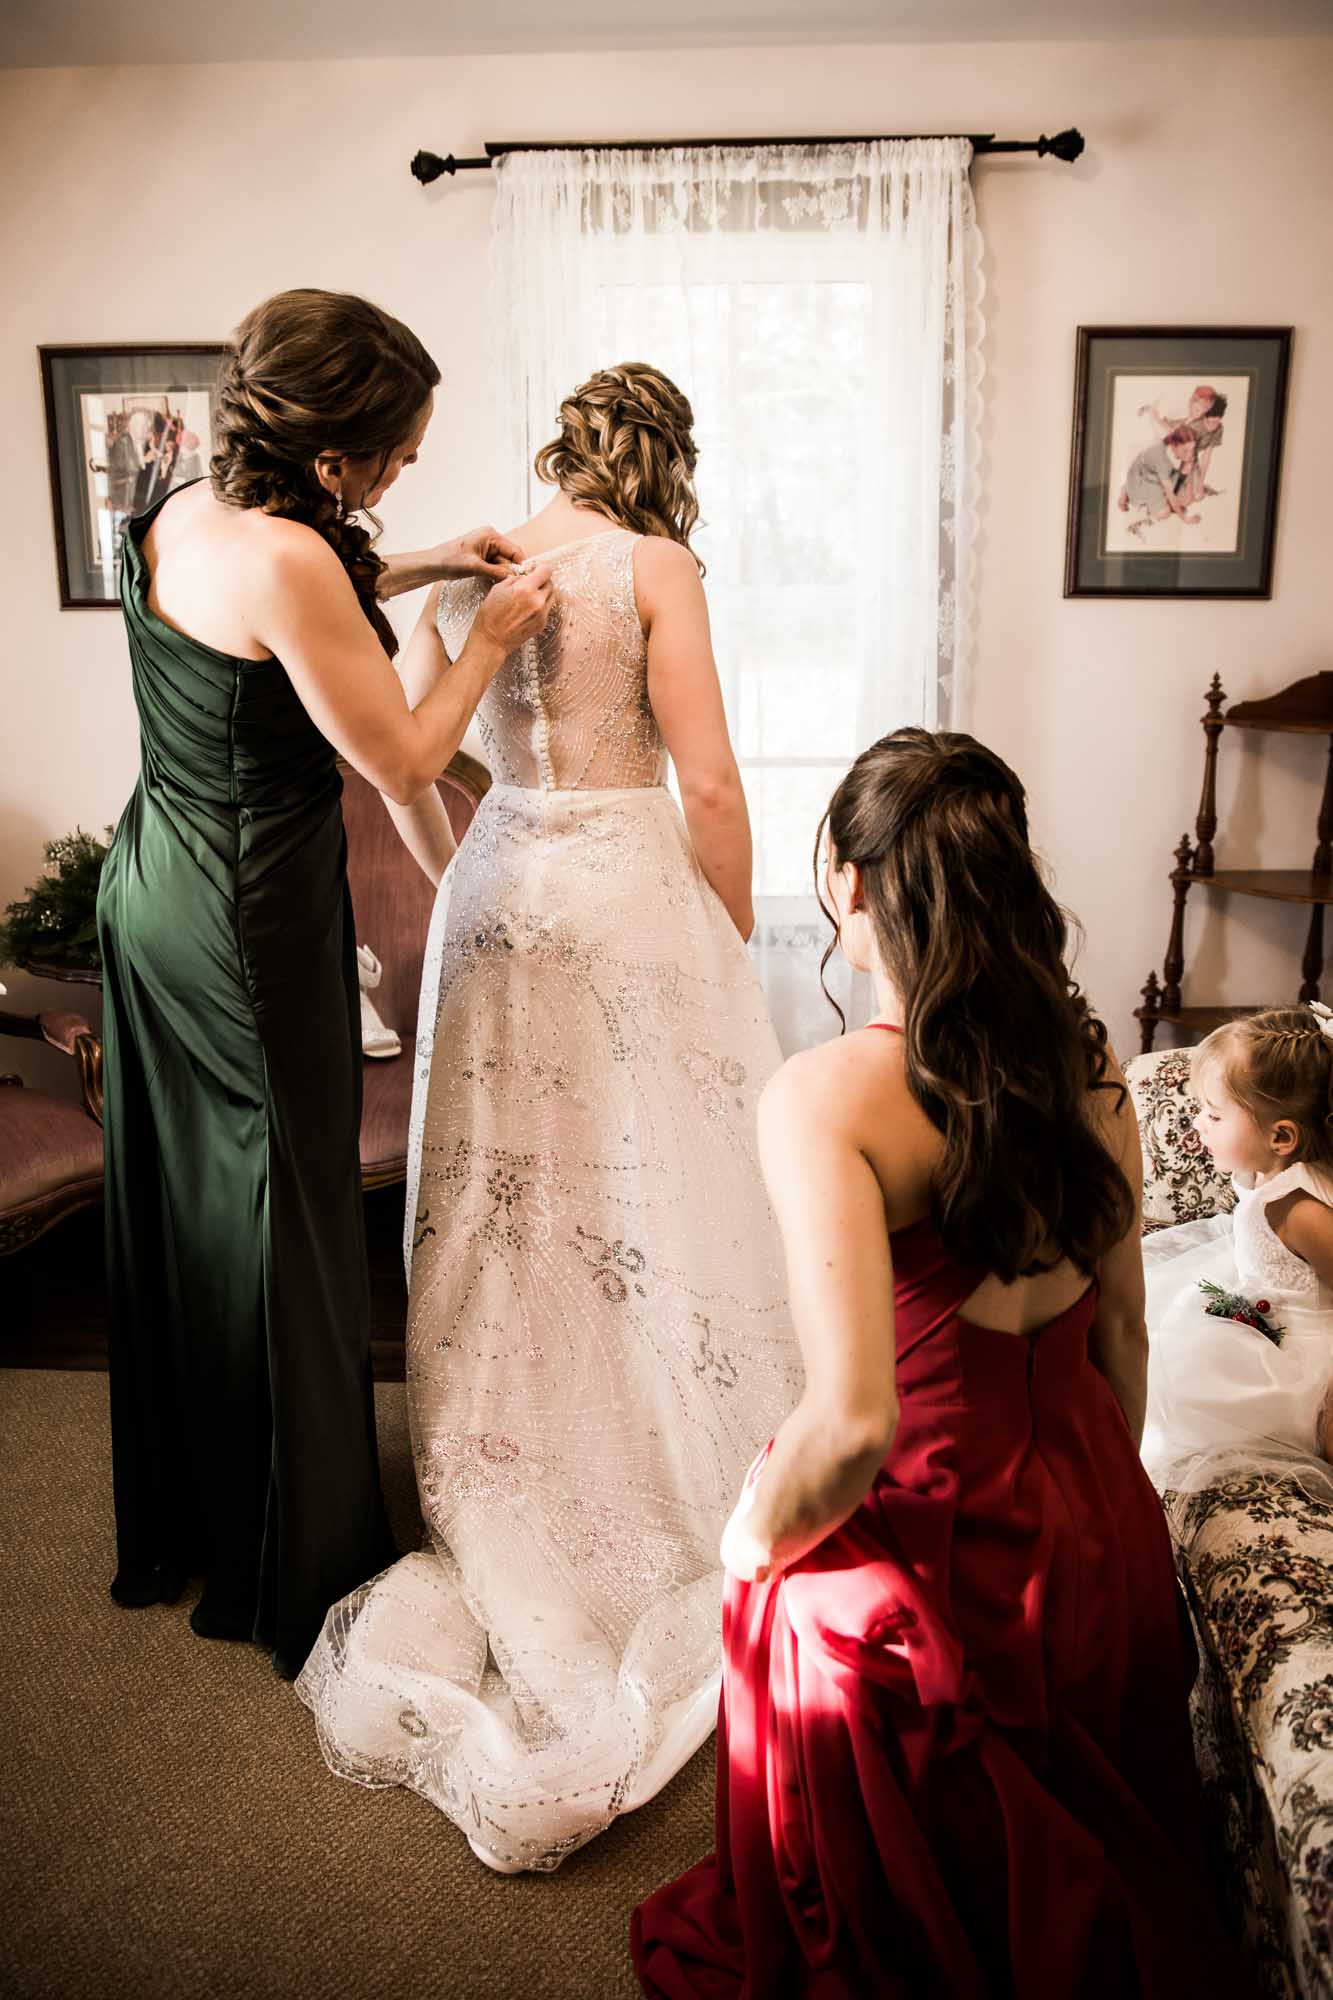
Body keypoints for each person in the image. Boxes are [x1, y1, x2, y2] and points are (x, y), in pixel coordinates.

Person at [632, 729, 1240, 1997]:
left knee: (777, 1563)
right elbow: (1124, 1339)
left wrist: (747, 1546)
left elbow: (856, 1424)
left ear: (848, 884)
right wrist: (1096, 1526)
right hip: (1093, 1527)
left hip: (937, 1544)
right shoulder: (1096, 1071)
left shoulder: (825, 1095)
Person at [297, 363, 801, 1870]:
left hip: (500, 882)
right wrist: (726, 930)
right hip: (626, 889)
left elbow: (420, 756)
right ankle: (658, 1445)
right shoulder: (653, 568)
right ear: (665, 458)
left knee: (506, 1197)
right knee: (653, 1186)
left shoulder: (477, 566)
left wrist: (471, 865)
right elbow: (709, 781)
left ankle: (501, 1450)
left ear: (560, 453)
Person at [97, 288, 554, 1680]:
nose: (407, 471)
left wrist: (419, 562)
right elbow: (404, 758)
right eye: (399, 454)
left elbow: (283, 607)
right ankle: (290, 1550)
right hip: (246, 919)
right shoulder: (295, 556)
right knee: (285, 1210)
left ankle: (195, 1507)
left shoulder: (181, 502)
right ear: (333, 457)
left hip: (151, 885)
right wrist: (490, 632)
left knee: (194, 1203)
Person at [1141, 1006, 1333, 1500]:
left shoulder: (1300, 1209)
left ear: (1281, 1137)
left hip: (1301, 1355)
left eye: (1214, 1115)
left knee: (1185, 1377)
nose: (1198, 1124)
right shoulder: (1266, 1174)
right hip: (1260, 1310)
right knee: (1160, 1332)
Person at [1118, 425, 1202, 536]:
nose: (1190, 454)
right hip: (1141, 482)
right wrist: (1185, 518)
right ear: (1174, 445)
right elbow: (1170, 493)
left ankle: (1129, 492)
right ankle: (1133, 498)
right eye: (1185, 450)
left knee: (1184, 497)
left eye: (1192, 450)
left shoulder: (1171, 447)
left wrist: (1187, 468)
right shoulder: (1162, 459)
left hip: (1152, 477)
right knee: (1165, 513)